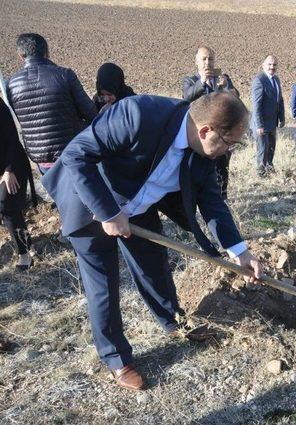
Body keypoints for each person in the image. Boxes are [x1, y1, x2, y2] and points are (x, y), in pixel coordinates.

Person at [41, 92, 263, 391]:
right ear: (205, 130)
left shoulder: (204, 154)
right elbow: (76, 155)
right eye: (228, 142)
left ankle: (174, 322)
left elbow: (212, 203)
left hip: (139, 206)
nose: (228, 151)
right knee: (103, 285)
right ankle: (116, 358)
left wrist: (240, 251)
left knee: (154, 266)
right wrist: (108, 212)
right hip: (91, 203)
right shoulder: (139, 114)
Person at [7, 33, 96, 175]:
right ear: (47, 52)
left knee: (56, 192)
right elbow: (90, 112)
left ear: (21, 56)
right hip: (70, 152)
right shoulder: (64, 75)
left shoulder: (11, 84)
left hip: (39, 158)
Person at [183, 47, 239, 199]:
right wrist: (202, 81)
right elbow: (186, 98)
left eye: (211, 59)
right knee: (197, 170)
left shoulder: (223, 78)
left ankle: (222, 198)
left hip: (221, 135)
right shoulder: (191, 81)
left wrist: (227, 86)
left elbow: (235, 100)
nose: (208, 63)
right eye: (204, 59)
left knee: (222, 169)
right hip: (199, 137)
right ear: (197, 62)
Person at [1, 100, 36, 270]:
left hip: (12, 164)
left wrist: (9, 170)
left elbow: (12, 140)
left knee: (6, 204)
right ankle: (28, 244)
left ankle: (24, 254)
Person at [251, 55, 285, 177]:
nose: (272, 67)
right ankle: (261, 173)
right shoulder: (259, 80)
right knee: (263, 149)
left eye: (274, 65)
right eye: (270, 64)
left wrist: (282, 117)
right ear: (263, 65)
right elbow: (256, 105)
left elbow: (279, 100)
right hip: (262, 123)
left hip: (272, 122)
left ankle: (269, 168)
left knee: (271, 147)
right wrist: (259, 125)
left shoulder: (276, 79)